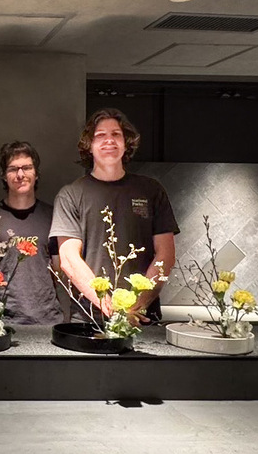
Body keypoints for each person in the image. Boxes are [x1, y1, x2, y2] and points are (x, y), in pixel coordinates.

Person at [50, 108, 178, 323]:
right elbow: (69, 260)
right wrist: (112, 309)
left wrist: (137, 306)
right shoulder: (70, 195)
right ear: (89, 146)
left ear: (126, 143)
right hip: (90, 318)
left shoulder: (151, 190)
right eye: (100, 135)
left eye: (116, 134)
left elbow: (166, 255)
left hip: (143, 318)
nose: (109, 140)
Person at [0, 141, 64, 326]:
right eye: (13, 169)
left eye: (26, 168)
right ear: (3, 175)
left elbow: (60, 269)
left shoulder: (54, 216)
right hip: (1, 321)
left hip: (47, 320)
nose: (20, 174)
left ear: (36, 173)